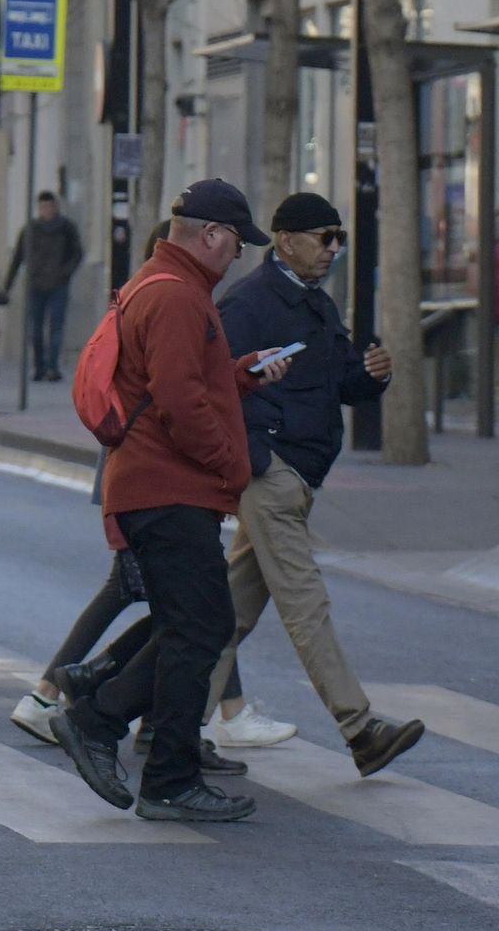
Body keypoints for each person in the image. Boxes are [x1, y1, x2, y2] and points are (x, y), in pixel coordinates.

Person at [48, 179, 292, 823]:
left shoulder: (162, 287)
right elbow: (180, 402)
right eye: (237, 243)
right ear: (209, 234)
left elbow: (179, 384)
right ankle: (127, 744)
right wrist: (232, 465)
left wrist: (238, 373)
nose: (238, 256)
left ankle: (106, 711)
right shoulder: (179, 298)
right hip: (167, 488)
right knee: (201, 626)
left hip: (155, 486)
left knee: (193, 624)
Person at [205, 191, 423, 775]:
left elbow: (338, 382)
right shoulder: (250, 303)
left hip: (298, 476)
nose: (333, 249)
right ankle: (360, 727)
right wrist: (258, 461)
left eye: (338, 238)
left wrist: (370, 376)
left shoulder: (315, 304)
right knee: (306, 603)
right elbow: (217, 388)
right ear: (284, 240)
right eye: (323, 237)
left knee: (224, 616)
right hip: (273, 475)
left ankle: (138, 716)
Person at [3, 190, 83, 381]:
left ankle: (53, 367)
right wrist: (7, 286)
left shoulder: (66, 227)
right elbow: (17, 258)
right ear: (39, 208)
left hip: (58, 285)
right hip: (35, 284)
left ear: (55, 207)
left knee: (56, 327)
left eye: (49, 206)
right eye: (43, 207)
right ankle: (39, 367)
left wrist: (66, 273)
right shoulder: (30, 229)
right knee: (36, 329)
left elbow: (77, 253)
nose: (46, 210)